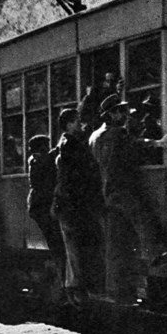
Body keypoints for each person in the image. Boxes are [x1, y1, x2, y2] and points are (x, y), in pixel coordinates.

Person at [89, 94, 167, 303]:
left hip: (106, 192)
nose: (125, 115)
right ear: (111, 114)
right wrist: (158, 143)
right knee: (142, 217)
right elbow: (136, 145)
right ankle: (157, 253)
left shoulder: (94, 136)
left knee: (116, 243)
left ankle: (117, 290)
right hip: (122, 189)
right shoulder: (115, 134)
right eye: (121, 111)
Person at [53, 109, 105, 307]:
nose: (79, 124)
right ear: (68, 124)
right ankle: (75, 289)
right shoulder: (68, 145)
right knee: (75, 247)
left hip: (69, 204)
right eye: (76, 122)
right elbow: (75, 175)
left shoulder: (67, 143)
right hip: (70, 205)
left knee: (76, 246)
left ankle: (76, 288)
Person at [27, 135, 66, 302]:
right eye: (45, 145)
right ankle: (63, 282)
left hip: (41, 205)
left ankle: (63, 281)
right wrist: (59, 147)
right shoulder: (35, 159)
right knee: (56, 244)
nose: (47, 148)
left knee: (57, 244)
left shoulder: (38, 158)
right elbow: (46, 160)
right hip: (41, 205)